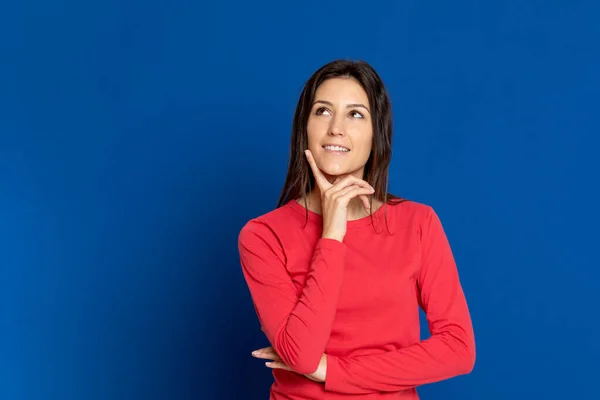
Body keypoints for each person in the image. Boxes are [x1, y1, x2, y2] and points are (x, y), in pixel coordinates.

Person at [237, 59, 475, 399]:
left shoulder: (417, 223)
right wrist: (331, 235)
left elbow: (458, 349)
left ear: (377, 135)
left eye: (355, 114)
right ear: (304, 127)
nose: (336, 127)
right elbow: (302, 355)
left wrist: (330, 371)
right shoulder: (263, 236)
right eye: (322, 111)